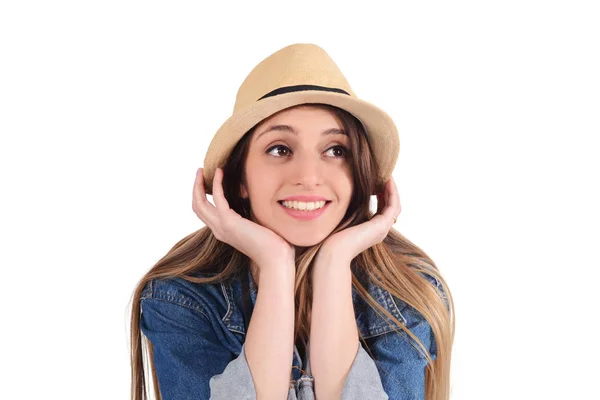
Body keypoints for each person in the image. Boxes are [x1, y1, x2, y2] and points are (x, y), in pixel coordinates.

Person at [129, 43, 454, 400]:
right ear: (239, 178)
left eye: (335, 150)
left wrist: (334, 263)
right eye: (280, 149)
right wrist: (275, 263)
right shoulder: (182, 298)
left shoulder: (405, 291)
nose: (309, 176)